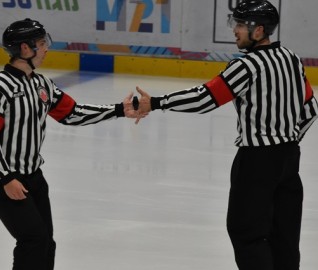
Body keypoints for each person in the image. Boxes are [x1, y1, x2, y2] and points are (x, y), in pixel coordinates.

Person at [134, 1, 318, 269]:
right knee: (284, 237)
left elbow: (205, 98)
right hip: (290, 159)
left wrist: (158, 102)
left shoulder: (247, 66)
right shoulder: (291, 58)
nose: (235, 30)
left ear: (259, 31)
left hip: (256, 160)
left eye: (241, 25)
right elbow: (311, 108)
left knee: (247, 233)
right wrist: (286, 138)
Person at [0, 18, 142, 270]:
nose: (46, 48)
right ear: (25, 49)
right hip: (2, 179)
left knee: (46, 243)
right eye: (41, 43)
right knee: (33, 239)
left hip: (33, 177)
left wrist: (120, 110)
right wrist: (6, 178)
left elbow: (73, 113)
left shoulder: (41, 85)